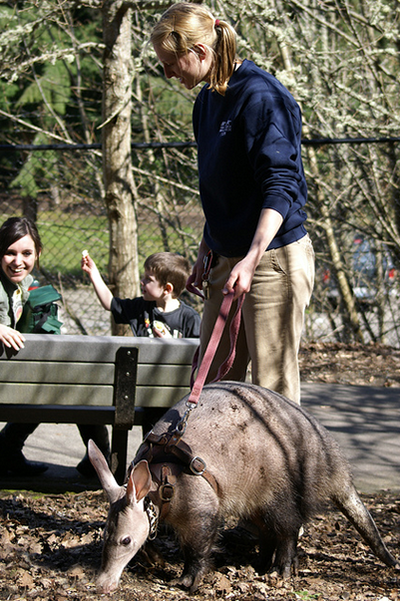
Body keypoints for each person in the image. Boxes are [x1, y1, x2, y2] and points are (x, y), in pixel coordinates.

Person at [150, 3, 315, 404]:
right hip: (226, 260)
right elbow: (222, 185)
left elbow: (280, 185)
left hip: (272, 259)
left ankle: (282, 471)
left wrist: (252, 256)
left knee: (271, 397)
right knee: (211, 391)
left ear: (201, 53)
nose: (169, 73)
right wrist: (209, 246)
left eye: (172, 63)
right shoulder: (206, 101)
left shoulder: (262, 96)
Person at [0, 217, 110, 477]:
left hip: (16, 380)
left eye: (26, 253)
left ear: (38, 254)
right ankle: (102, 459)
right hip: (9, 383)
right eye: (9, 253)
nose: (18, 261)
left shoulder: (30, 286)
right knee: (74, 387)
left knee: (60, 383)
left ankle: (7, 449)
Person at [81, 251, 201, 339]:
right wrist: (94, 273)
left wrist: (170, 345)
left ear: (167, 288)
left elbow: (195, 357)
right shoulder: (141, 307)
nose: (142, 282)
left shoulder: (190, 319)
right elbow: (110, 303)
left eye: (148, 279)